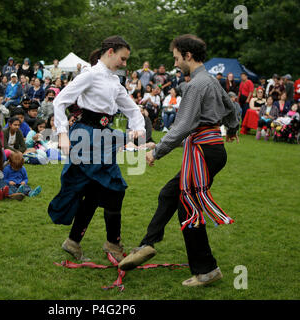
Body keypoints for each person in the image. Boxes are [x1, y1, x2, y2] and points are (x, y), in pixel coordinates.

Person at [118, 34, 239, 287]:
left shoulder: (196, 85)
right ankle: (147, 244)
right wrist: (233, 127)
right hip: (209, 150)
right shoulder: (211, 81)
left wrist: (157, 151)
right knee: (170, 195)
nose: (175, 63)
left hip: (204, 152)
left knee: (187, 208)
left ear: (188, 55)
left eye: (176, 58)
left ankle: (207, 270)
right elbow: (230, 106)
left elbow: (183, 125)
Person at [48, 35, 145, 262]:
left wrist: (139, 129)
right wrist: (62, 134)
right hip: (87, 138)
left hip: (104, 138)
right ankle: (112, 243)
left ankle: (74, 241)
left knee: (93, 191)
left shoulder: (114, 81)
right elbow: (59, 101)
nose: (124, 63)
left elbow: (132, 110)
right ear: (110, 52)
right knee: (115, 188)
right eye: (122, 58)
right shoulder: (90, 75)